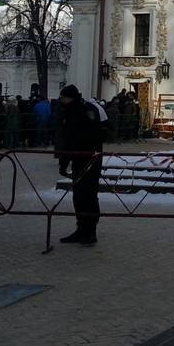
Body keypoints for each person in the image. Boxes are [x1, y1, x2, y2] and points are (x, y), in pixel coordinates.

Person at [57, 85, 103, 245]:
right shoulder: (72, 110)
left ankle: (90, 231)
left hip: (90, 159)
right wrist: (64, 161)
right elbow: (67, 139)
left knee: (89, 195)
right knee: (79, 195)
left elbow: (75, 137)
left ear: (69, 98)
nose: (61, 101)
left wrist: (64, 161)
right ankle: (81, 229)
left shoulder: (84, 110)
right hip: (79, 159)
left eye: (63, 98)